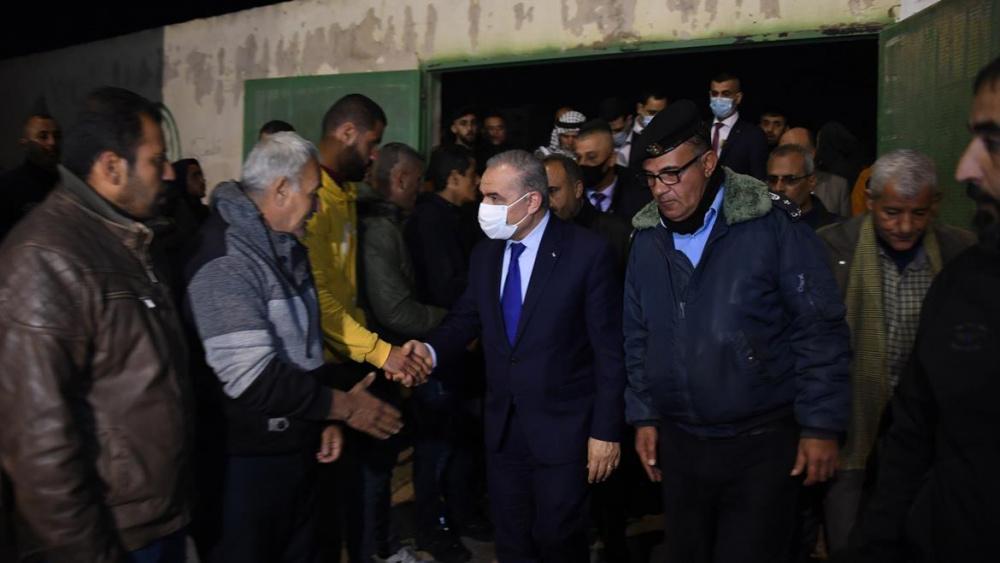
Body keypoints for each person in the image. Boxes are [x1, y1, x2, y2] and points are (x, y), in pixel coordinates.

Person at [625, 99, 850, 563]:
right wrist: (644, 415)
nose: (660, 189)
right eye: (651, 177)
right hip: (681, 443)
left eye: (672, 174)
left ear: (708, 162)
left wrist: (821, 425)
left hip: (760, 444)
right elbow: (638, 333)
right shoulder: (646, 240)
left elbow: (819, 328)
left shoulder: (770, 226)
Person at [184, 132, 405, 563]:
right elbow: (253, 377)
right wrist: (342, 407)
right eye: (313, 194)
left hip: (295, 449)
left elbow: (305, 347)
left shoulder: (285, 245)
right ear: (281, 190)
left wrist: (322, 417)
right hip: (245, 466)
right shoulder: (226, 260)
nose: (319, 207)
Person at [405, 150, 626, 562]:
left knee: (559, 539)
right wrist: (429, 351)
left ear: (532, 201)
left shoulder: (587, 253)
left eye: (494, 198)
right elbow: (465, 319)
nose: (483, 206)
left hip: (565, 430)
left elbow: (609, 351)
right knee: (511, 541)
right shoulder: (485, 255)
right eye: (482, 195)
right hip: (504, 429)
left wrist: (606, 431)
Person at [0, 86, 190, 562]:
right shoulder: (45, 255)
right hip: (111, 535)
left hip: (159, 520)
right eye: (156, 160)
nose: (170, 173)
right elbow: (37, 447)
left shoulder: (130, 240)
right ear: (111, 167)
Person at [837, 55, 1000, 563]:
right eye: (892, 212)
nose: (967, 166)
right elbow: (909, 442)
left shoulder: (952, 251)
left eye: (993, 143)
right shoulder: (965, 281)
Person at [812, 149, 974, 559]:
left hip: (927, 435)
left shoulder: (958, 251)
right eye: (892, 212)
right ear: (870, 201)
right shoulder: (832, 248)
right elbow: (813, 346)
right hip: (852, 429)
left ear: (935, 205)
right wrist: (817, 428)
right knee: (850, 538)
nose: (905, 226)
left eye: (918, 214)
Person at [357, 142, 449, 562]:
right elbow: (395, 309)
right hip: (377, 363)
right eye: (416, 180)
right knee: (375, 468)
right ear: (399, 179)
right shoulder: (379, 229)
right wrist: (449, 320)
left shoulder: (389, 222)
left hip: (383, 358)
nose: (420, 188)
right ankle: (379, 549)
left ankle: (382, 543)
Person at [406, 144, 489, 562]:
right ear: (454, 177)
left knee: (459, 440)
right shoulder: (430, 220)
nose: (478, 183)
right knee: (436, 447)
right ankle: (432, 528)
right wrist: (469, 323)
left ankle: (460, 515)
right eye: (473, 174)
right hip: (441, 348)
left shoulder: (456, 217)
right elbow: (445, 285)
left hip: (459, 349)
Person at [543, 153, 630, 270]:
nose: (546, 202)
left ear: (577, 189)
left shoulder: (616, 234)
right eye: (541, 193)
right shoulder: (535, 235)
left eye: (552, 191)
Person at [573, 119, 652, 223]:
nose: (582, 163)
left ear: (611, 159)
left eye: (591, 157)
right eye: (578, 157)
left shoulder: (640, 193)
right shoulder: (570, 193)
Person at [0, 110, 62, 240]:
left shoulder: (68, 182)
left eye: (56, 136)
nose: (52, 142)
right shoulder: (8, 186)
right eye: (43, 136)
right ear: (25, 144)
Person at [780, 126, 852, 217]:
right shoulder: (769, 189)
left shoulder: (838, 186)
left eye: (793, 151)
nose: (786, 158)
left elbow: (847, 224)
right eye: (782, 152)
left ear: (812, 153)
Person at [708, 72, 768, 180]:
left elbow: (758, 179)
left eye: (726, 94)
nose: (719, 99)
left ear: (738, 98)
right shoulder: (700, 129)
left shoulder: (753, 135)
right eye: (715, 94)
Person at [767, 143, 841, 230]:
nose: (778, 188)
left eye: (790, 180)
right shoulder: (758, 227)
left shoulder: (836, 230)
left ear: (811, 181)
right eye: (773, 180)